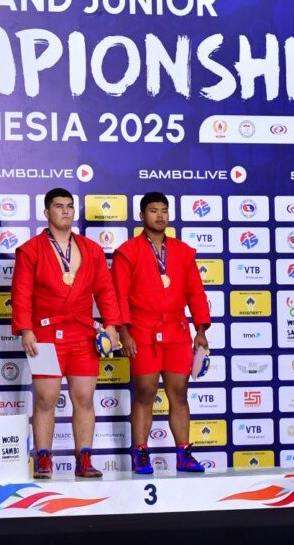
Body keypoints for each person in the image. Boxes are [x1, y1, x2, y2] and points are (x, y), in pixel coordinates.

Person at [11, 188, 121, 480]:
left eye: (70, 206)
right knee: (46, 398)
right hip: (45, 335)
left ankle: (84, 458)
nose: (65, 211)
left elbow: (105, 290)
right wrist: (26, 329)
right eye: (59, 206)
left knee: (84, 397)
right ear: (46, 213)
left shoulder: (91, 249)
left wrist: (111, 324)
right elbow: (21, 293)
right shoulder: (30, 250)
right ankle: (44, 457)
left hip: (83, 334)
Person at [111, 192, 210, 474]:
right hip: (142, 329)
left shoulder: (183, 251)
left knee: (179, 393)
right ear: (142, 216)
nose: (160, 215)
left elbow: (196, 293)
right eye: (154, 210)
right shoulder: (127, 251)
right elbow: (119, 296)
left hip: (176, 330)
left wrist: (200, 329)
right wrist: (124, 332)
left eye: (164, 210)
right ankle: (141, 453)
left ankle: (184, 453)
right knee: (145, 392)